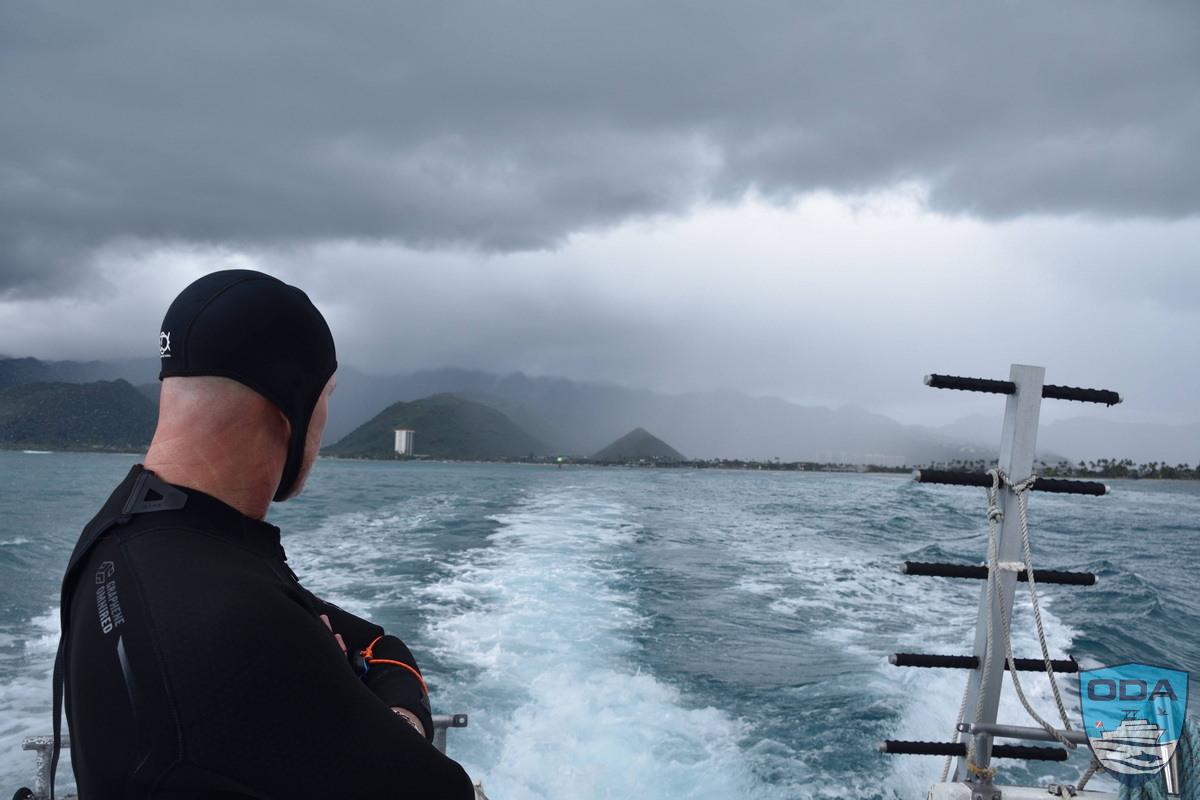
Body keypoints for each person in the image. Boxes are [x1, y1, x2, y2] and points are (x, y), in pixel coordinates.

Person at [55, 270, 474, 799]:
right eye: (327, 396)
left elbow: (376, 642)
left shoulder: (123, 535)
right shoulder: (238, 622)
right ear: (291, 406)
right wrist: (399, 716)